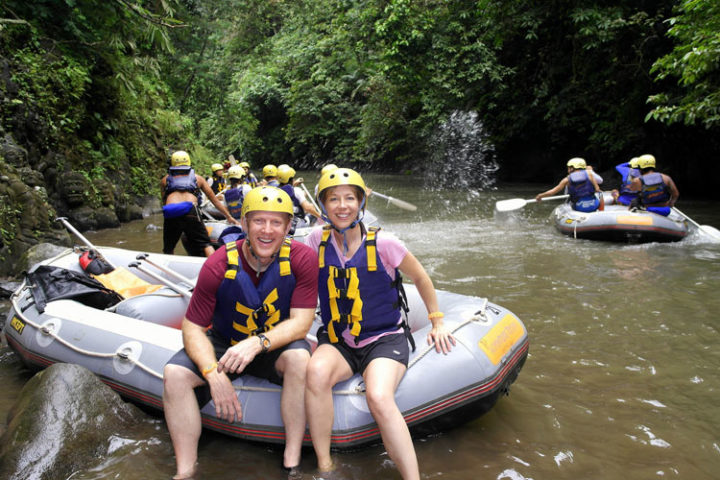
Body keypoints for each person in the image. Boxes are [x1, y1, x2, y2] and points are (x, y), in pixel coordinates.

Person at [304, 168, 455, 480]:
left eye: (349, 198)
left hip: (384, 339)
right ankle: (325, 467)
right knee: (315, 373)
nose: (342, 206)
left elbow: (421, 278)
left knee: (379, 396)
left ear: (360, 203)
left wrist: (437, 321)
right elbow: (293, 279)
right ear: (324, 206)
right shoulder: (313, 240)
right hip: (339, 339)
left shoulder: (385, 243)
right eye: (334, 199)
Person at [162, 186, 319, 480]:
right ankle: (185, 471)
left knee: (300, 360)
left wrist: (258, 343)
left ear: (288, 227)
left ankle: (291, 461)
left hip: (276, 343)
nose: (267, 230)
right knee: (174, 374)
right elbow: (193, 327)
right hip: (225, 343)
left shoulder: (303, 259)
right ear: (244, 223)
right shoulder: (217, 264)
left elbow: (301, 323)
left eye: (276, 223)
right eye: (259, 221)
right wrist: (212, 372)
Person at [160, 151, 239, 257]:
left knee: (168, 249)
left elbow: (164, 201)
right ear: (188, 162)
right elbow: (214, 200)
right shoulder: (198, 178)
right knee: (206, 244)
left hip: (171, 211)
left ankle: (166, 269)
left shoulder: (165, 180)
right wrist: (228, 216)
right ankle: (213, 267)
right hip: (191, 210)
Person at [536, 157, 603, 212]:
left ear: (572, 168)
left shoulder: (567, 180)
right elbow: (597, 189)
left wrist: (540, 195)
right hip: (594, 205)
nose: (568, 169)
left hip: (579, 207)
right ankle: (602, 212)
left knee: (570, 202)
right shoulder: (590, 174)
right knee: (601, 196)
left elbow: (552, 192)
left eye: (568, 167)